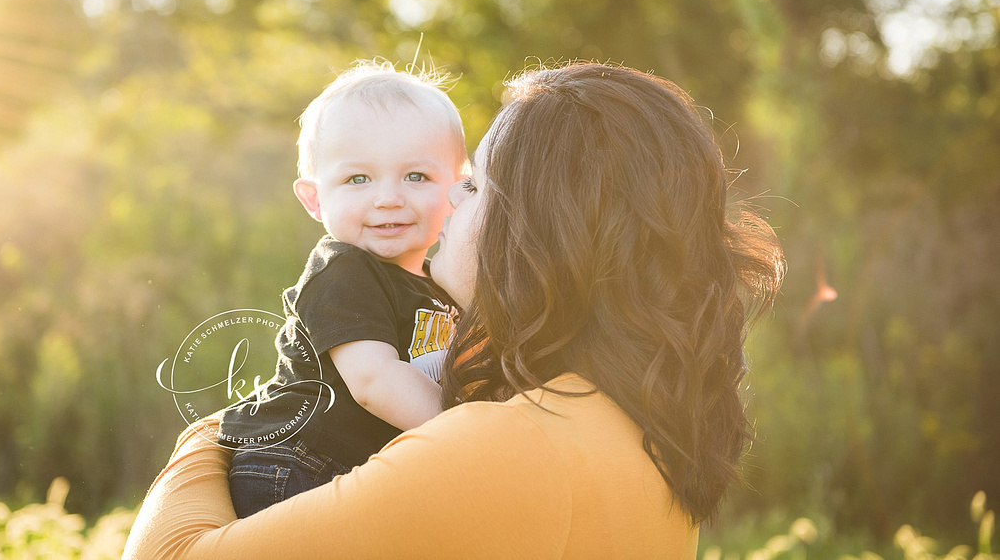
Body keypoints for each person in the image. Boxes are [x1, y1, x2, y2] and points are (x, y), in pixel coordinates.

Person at [124, 62, 785, 559]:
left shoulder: (499, 444)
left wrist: (217, 427)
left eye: (471, 184)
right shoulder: (637, 430)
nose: (449, 202)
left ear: (535, 228)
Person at [218, 62, 467, 517]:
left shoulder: (446, 284)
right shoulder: (344, 269)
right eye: (358, 179)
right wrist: (474, 434)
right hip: (298, 465)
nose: (388, 197)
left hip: (362, 474)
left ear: (457, 188)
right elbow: (374, 381)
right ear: (315, 199)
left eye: (416, 176)